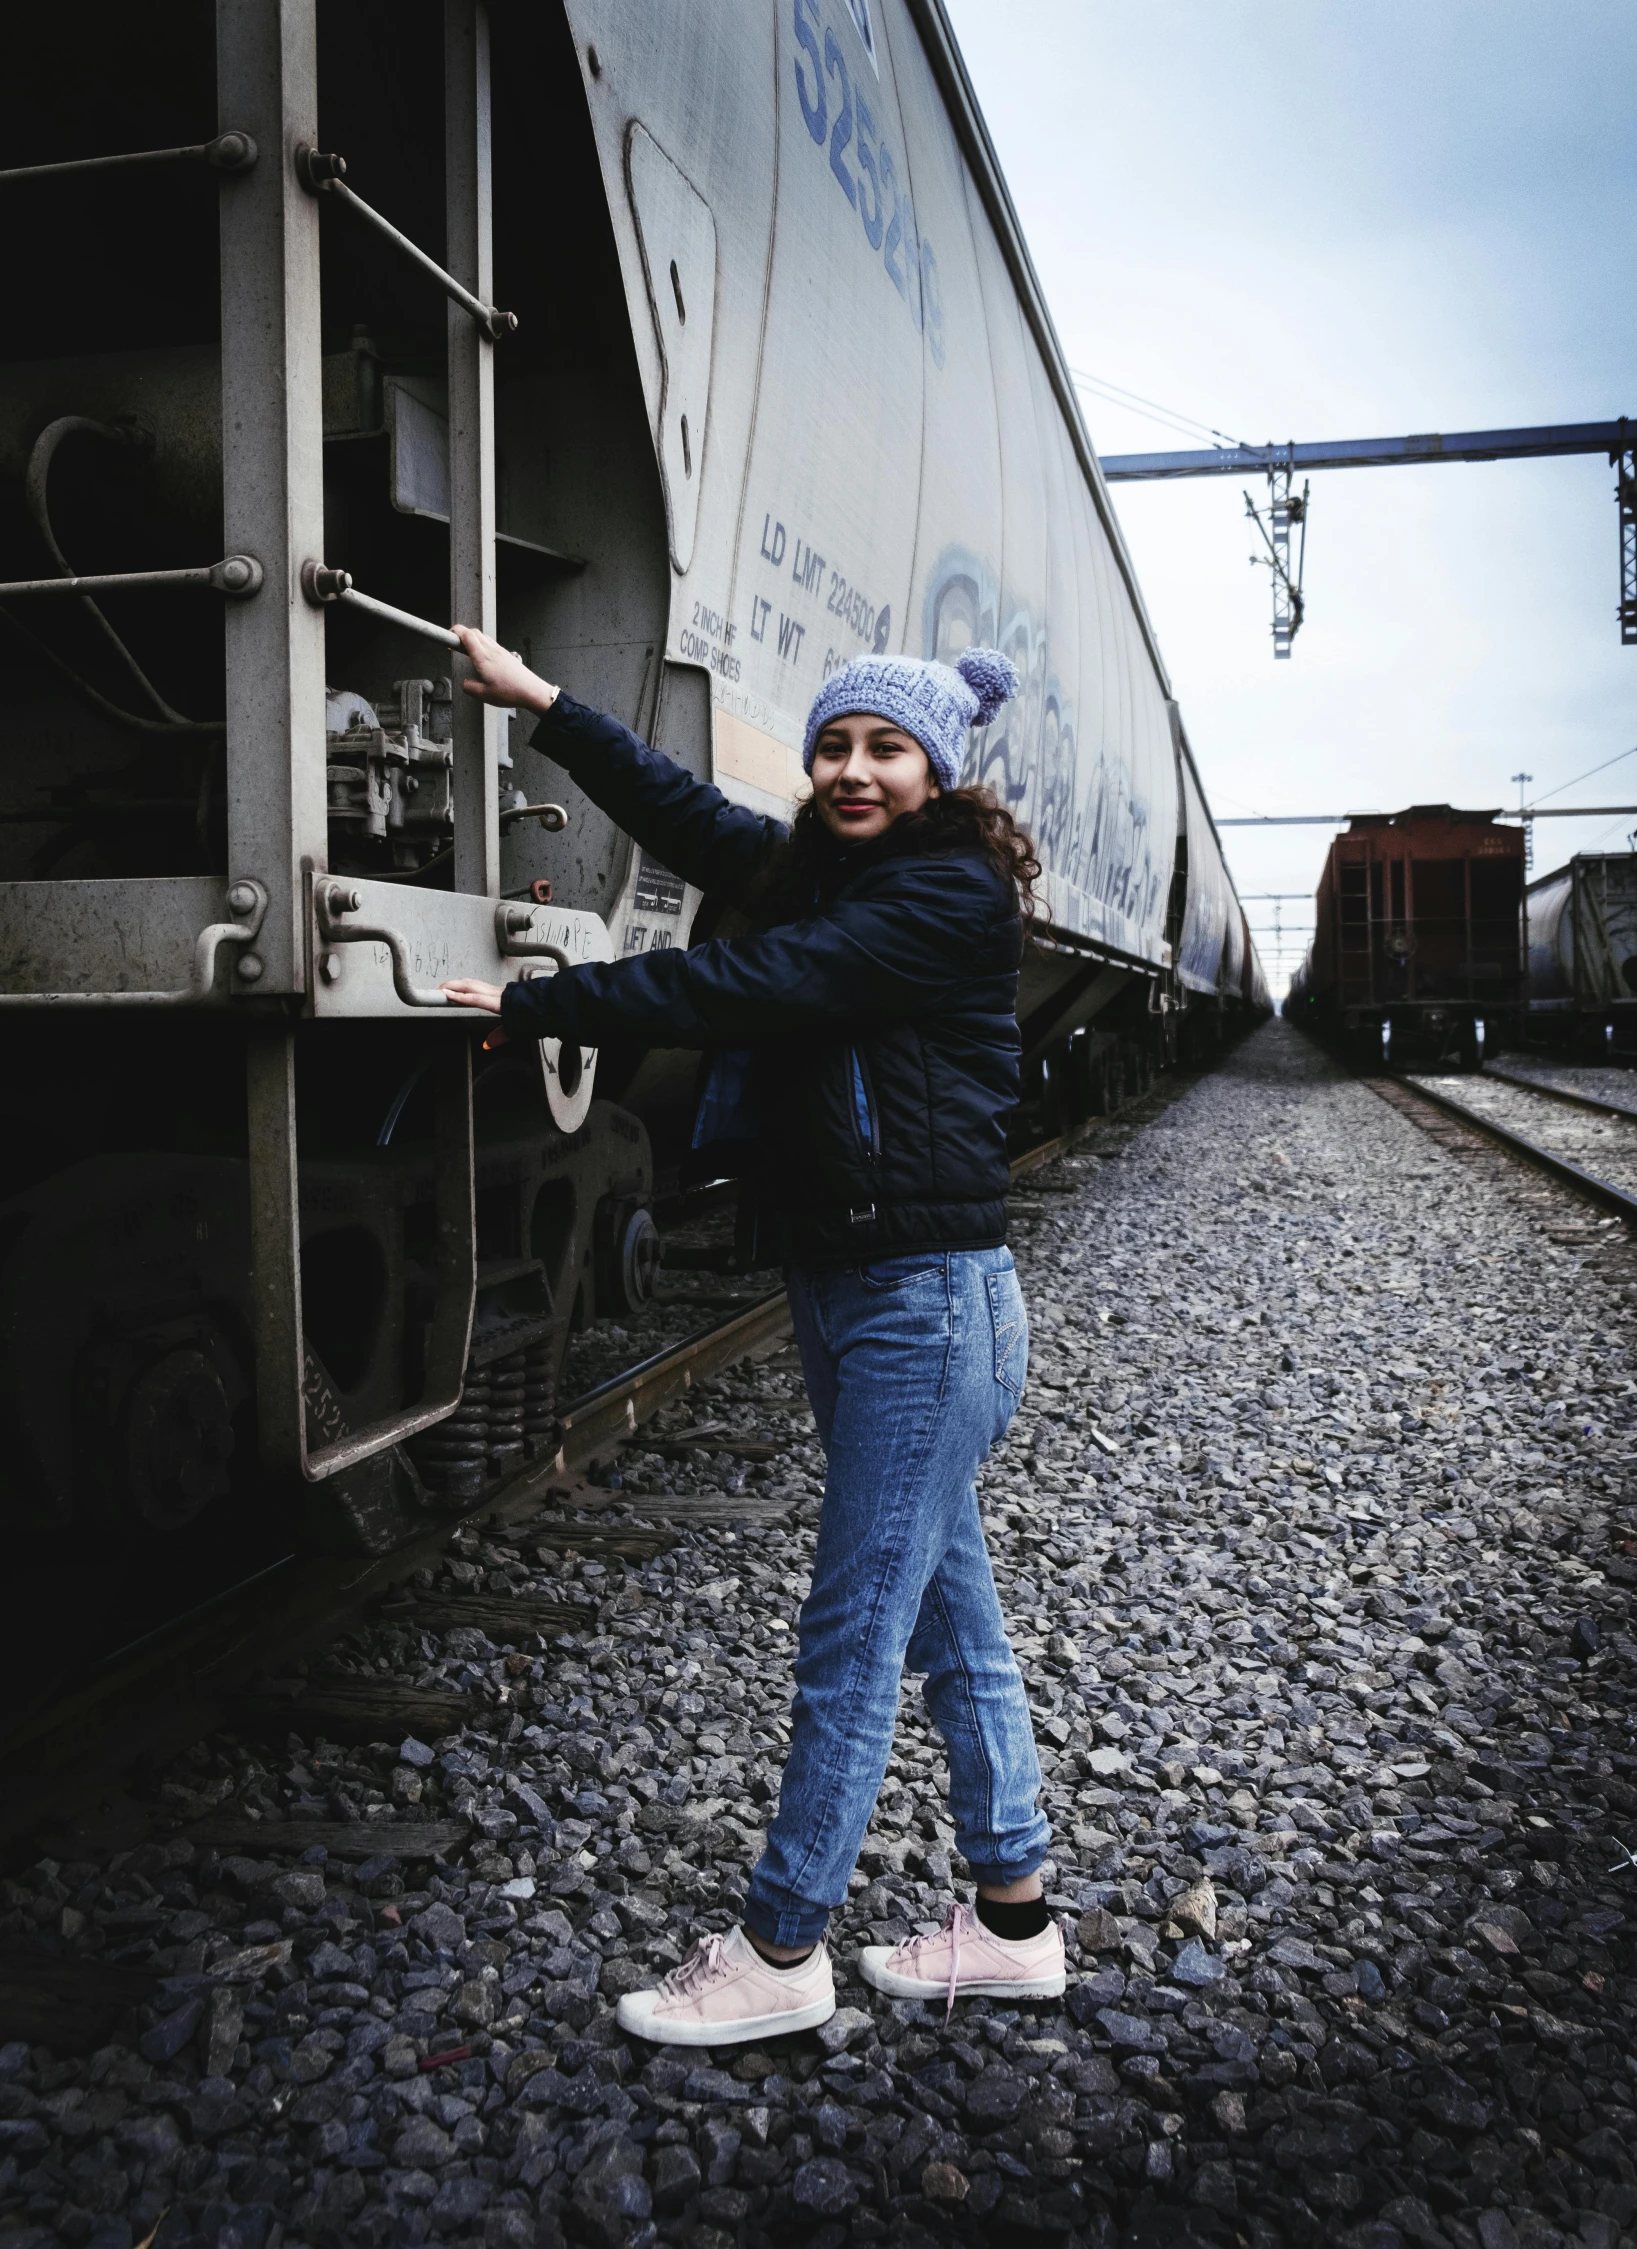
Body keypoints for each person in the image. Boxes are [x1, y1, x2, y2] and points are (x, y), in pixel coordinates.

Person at [441, 627, 1065, 2045]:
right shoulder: (835, 870)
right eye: (835, 746)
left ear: (937, 773)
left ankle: (785, 1948)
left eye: (885, 752)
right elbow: (694, 816)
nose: (853, 772)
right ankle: (1016, 1920)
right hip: (862, 1290)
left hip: (927, 1303)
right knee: (951, 1618)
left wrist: (542, 1000)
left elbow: (746, 985)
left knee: (852, 1635)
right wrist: (546, 701)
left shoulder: (944, 899)